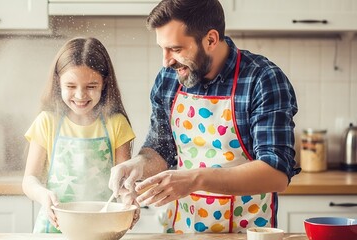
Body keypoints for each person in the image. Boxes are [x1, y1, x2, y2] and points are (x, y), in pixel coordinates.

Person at [109, 0, 300, 234]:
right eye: (163, 48)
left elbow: (276, 173)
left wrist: (196, 179)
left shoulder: (262, 79)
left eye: (176, 49)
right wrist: (136, 165)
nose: (166, 61)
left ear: (210, 39)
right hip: (181, 230)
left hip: (245, 232)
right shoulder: (169, 78)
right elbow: (161, 149)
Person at [22, 37, 136, 233]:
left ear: (104, 83)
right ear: (59, 82)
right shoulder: (47, 122)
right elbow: (29, 180)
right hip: (54, 227)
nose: (81, 95)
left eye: (91, 86)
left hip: (100, 228)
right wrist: (42, 194)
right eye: (71, 86)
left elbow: (123, 184)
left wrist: (128, 200)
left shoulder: (116, 124)